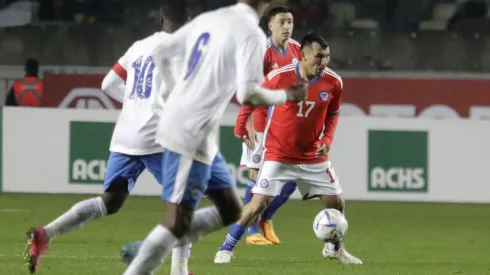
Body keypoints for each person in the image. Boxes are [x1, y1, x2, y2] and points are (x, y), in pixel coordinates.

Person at [122, 0, 307, 274]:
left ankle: (158, 249)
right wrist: (286, 96)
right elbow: (248, 94)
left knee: (231, 208)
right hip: (189, 130)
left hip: (201, 133)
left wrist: (173, 92)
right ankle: (152, 254)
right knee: (178, 220)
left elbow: (162, 52)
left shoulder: (212, 18)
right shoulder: (250, 33)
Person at [23, 4, 190, 274]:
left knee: (111, 200)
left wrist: (138, 103)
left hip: (126, 135)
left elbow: (108, 84)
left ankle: (46, 233)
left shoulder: (138, 46)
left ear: (161, 20)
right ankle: (179, 271)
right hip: (157, 136)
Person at [214, 33, 363, 265]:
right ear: (303, 55)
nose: (323, 62)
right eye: (319, 56)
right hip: (278, 155)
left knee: (337, 203)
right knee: (257, 204)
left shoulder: (334, 82)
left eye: (327, 57)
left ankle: (334, 249)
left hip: (313, 156)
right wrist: (241, 124)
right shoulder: (279, 77)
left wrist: (327, 139)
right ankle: (226, 248)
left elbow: (333, 114)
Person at [235, 5, 301, 246]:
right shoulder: (262, 52)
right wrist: (248, 125)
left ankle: (267, 218)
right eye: (282, 22)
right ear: (270, 25)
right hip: (261, 124)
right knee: (256, 178)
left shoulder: (296, 50)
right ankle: (251, 231)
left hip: (285, 125)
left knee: (294, 178)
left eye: (290, 22)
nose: (287, 26)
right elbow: (247, 90)